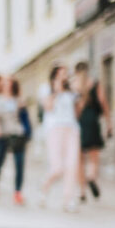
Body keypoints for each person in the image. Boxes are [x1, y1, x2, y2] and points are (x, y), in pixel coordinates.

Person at [40, 64, 81, 211]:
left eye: (66, 72)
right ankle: (45, 186)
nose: (64, 75)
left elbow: (77, 113)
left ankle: (68, 200)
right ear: (55, 74)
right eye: (61, 72)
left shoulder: (71, 91)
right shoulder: (46, 88)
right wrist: (56, 91)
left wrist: (78, 91)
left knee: (72, 166)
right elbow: (48, 107)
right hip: (54, 129)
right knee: (58, 167)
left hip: (71, 129)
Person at [0, 77, 30, 205]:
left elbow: (24, 117)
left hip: (18, 134)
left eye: (9, 83)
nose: (7, 86)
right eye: (5, 83)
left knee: (19, 164)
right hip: (3, 135)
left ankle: (18, 192)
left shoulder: (18, 100)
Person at [73, 61, 111, 200]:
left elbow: (74, 111)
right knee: (94, 158)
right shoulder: (95, 83)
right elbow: (104, 103)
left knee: (80, 160)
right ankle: (91, 177)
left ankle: (81, 192)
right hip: (93, 122)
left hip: (79, 125)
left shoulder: (73, 86)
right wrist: (109, 123)